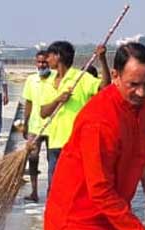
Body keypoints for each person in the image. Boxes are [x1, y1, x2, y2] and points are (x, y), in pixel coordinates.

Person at [43, 43, 145, 230]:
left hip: (115, 210)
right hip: (80, 213)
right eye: (133, 85)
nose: (141, 92)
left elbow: (144, 133)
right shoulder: (99, 120)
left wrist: (144, 167)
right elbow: (99, 190)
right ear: (115, 76)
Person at [39, 41, 110, 188]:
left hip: (77, 144)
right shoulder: (48, 81)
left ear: (58, 56)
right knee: (54, 187)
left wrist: (102, 59)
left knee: (76, 186)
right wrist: (58, 100)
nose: (47, 60)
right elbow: (43, 113)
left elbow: (105, 87)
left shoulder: (81, 78)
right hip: (55, 143)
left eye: (49, 56)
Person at [22, 50, 52, 202]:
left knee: (52, 161)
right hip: (34, 126)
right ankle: (34, 191)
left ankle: (52, 192)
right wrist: (25, 124)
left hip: (53, 127)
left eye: (44, 62)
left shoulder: (56, 79)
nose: (41, 65)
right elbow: (28, 103)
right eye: (39, 62)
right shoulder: (31, 80)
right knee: (33, 158)